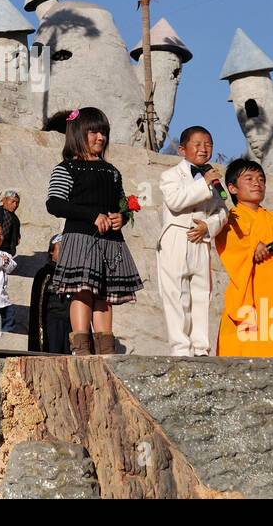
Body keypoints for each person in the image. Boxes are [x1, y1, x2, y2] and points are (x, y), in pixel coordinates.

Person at [46, 108, 142, 356]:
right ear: (78, 134)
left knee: (104, 296)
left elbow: (121, 202)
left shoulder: (112, 171)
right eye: (94, 132)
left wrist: (123, 217)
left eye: (104, 133)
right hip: (81, 239)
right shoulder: (66, 168)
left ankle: (106, 352)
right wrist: (91, 216)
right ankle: (81, 349)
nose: (101, 137)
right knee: (84, 291)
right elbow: (54, 203)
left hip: (110, 242)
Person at [214, 158, 273, 358]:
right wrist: (252, 250)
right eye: (249, 178)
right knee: (244, 351)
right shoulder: (231, 219)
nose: (258, 183)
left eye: (261, 179)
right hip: (251, 294)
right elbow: (232, 247)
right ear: (232, 188)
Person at [157, 126, 229, 357]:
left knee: (201, 293)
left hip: (201, 238)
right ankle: (180, 348)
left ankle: (200, 348)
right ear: (182, 149)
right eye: (197, 144)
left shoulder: (214, 178)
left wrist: (210, 226)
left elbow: (223, 211)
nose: (203, 149)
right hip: (177, 235)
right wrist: (205, 183)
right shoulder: (170, 175)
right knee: (177, 293)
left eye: (208, 144)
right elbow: (177, 201)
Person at [28, 234, 71, 354]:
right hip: (52, 322)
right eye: (60, 246)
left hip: (71, 322)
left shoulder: (74, 272)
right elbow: (39, 303)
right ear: (52, 251)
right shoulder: (44, 273)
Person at [0, 191, 22, 257]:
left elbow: (16, 238)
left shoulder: (16, 220)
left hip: (5, 252)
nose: (15, 205)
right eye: (13, 201)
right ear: (4, 200)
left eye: (17, 202)